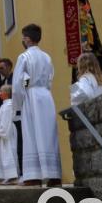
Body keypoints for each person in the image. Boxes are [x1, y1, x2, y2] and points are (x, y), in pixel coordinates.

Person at [12, 24, 62, 187]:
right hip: (46, 97)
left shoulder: (24, 57)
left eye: (23, 36)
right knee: (48, 134)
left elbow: (22, 81)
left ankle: (33, 176)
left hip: (32, 96)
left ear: (27, 38)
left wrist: (18, 102)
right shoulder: (47, 57)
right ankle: (54, 175)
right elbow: (50, 78)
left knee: (32, 134)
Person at [0, 85, 19, 185]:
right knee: (4, 153)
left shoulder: (9, 105)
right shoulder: (4, 105)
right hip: (3, 131)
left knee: (9, 152)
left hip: (7, 131)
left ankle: (12, 176)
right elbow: (0, 120)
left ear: (6, 93)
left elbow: (6, 121)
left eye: (1, 92)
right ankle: (7, 176)